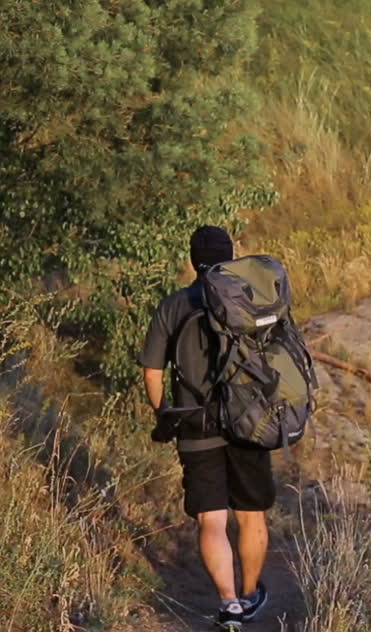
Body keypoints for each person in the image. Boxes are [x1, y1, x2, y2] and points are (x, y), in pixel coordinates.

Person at [140, 226, 272, 630]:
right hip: (248, 421)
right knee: (251, 516)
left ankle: (228, 604)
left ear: (192, 259)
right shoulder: (251, 299)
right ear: (230, 258)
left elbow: (152, 371)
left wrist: (166, 414)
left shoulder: (173, 305)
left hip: (195, 423)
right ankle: (250, 596)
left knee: (211, 520)